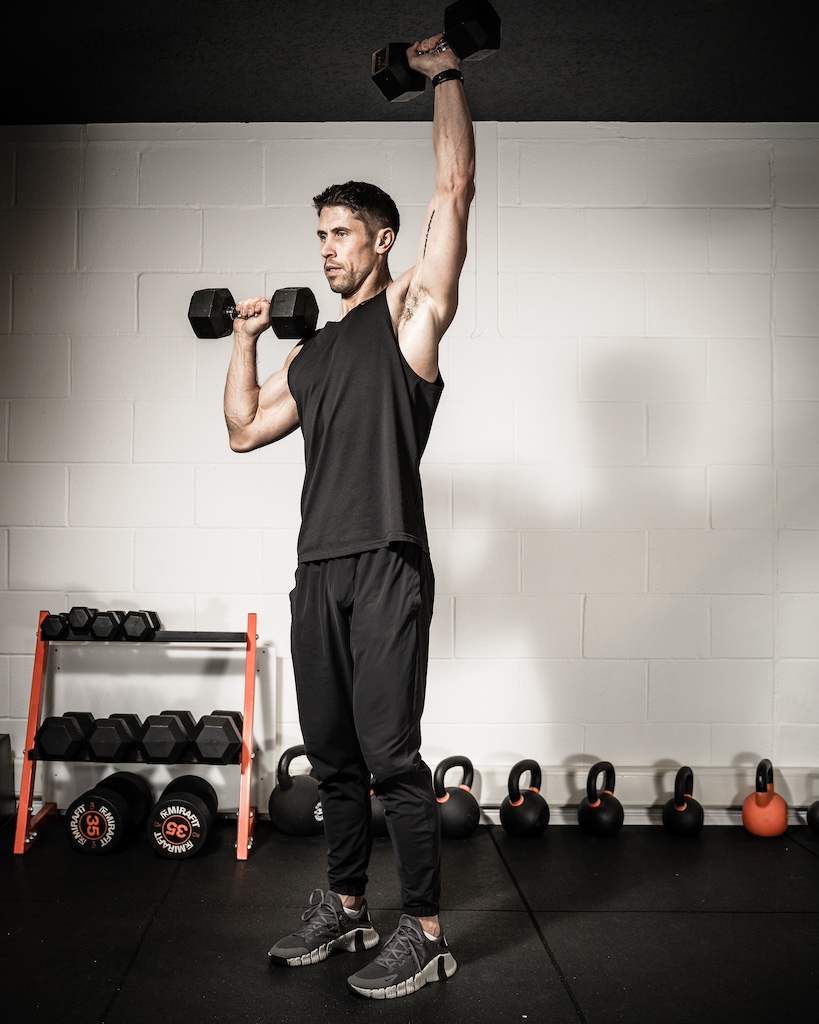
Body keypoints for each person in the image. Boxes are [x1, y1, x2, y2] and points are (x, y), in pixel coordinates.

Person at [222, 32, 475, 1000]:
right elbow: (245, 431)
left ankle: (425, 928)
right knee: (331, 757)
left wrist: (444, 73)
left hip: (386, 561)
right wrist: (243, 341)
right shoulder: (315, 354)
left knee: (391, 754)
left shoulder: (411, 312)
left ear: (379, 241)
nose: (323, 249)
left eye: (337, 233)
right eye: (316, 235)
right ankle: (345, 906)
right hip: (316, 568)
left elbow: (454, 193)